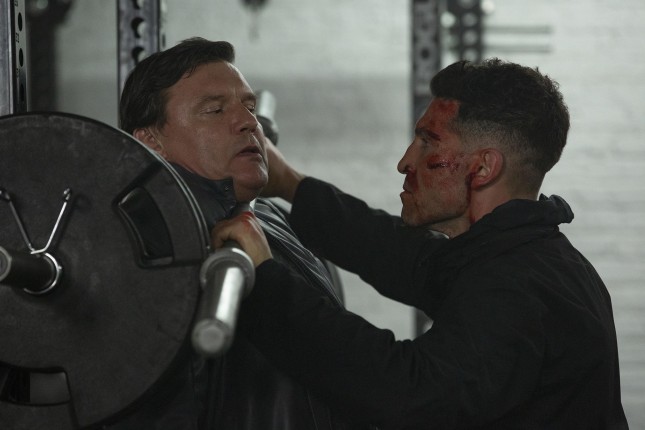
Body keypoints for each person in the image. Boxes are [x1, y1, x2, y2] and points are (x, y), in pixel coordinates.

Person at [212, 59, 629, 429]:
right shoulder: (524, 255)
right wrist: (289, 183)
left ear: (484, 167)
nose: (405, 162)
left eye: (429, 142)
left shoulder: (515, 288)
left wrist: (265, 279)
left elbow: (404, 393)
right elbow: (397, 254)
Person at [116, 37, 369, 430]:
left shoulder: (269, 216)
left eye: (249, 107)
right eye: (215, 110)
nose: (250, 122)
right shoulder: (144, 250)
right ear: (151, 142)